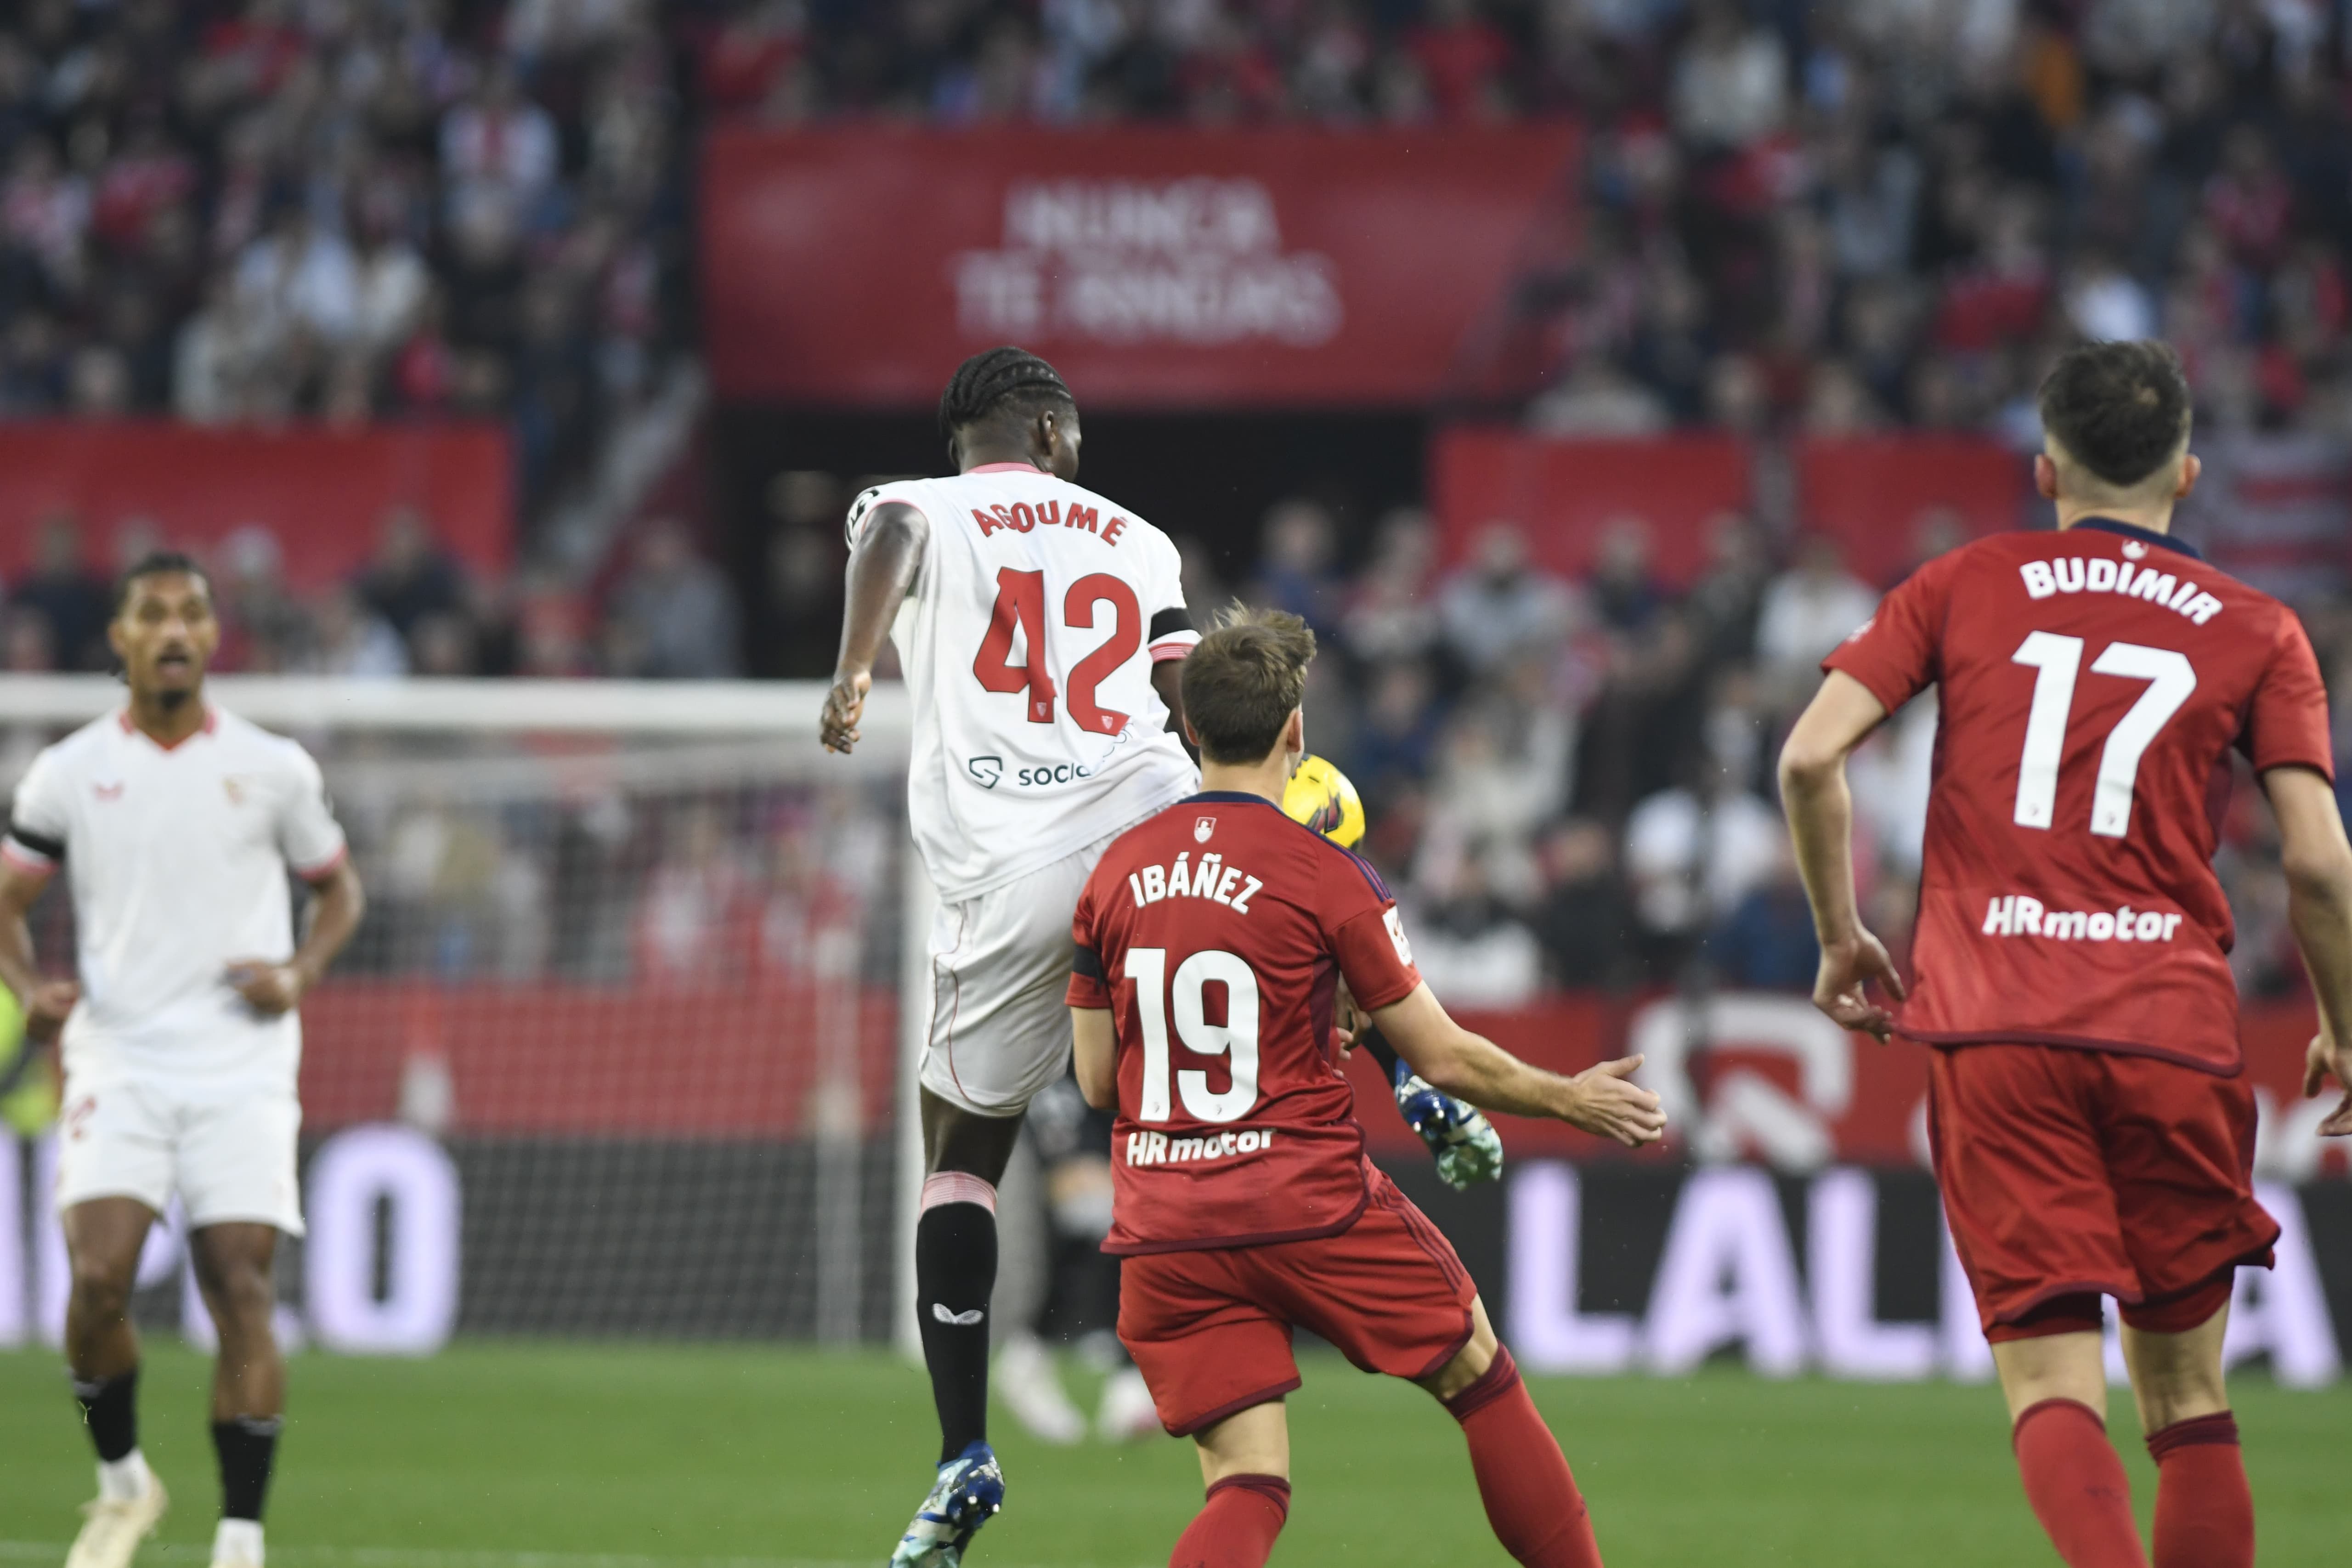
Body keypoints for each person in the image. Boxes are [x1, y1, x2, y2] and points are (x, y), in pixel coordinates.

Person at [1778, 340, 2352, 1568]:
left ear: (2047, 468)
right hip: (2176, 1029)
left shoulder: (1966, 582)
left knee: (2050, 1378)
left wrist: (1842, 935)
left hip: (1996, 1022)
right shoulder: (2262, 628)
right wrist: (2347, 1026)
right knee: (2190, 1395)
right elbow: (2317, 862)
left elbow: (1810, 758)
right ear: (2189, 472)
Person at [1067, 609, 1666, 1568]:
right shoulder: (1324, 871)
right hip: (1305, 1200)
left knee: (1249, 1486)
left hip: (1165, 1224)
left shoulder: (1114, 874)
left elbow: (1100, 1078)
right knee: (1481, 1377)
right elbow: (1445, 1058)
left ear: (1187, 730)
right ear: (1296, 729)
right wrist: (1570, 1098)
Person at [819, 346, 1201, 1567]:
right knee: (1188, 1094)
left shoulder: (918, 505)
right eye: (1072, 427)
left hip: (1016, 870)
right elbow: (1187, 691)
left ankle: (963, 1447)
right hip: (1158, 827)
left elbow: (882, 537)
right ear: (1044, 427)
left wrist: (851, 668)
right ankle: (1182, 1357)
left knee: (963, 1150)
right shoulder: (1142, 539)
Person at [0, 552, 366, 1568]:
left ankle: (240, 1541)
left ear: (213, 637)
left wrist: (298, 972)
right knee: (99, 1280)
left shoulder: (274, 767)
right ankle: (124, 1482)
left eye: (191, 614)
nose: (173, 630)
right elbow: (8, 900)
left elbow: (340, 892)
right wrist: (31, 992)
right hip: (117, 1055)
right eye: (151, 614)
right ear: (119, 640)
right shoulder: (69, 772)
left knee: (239, 1284)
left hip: (242, 1064)